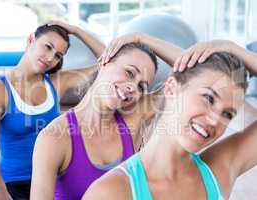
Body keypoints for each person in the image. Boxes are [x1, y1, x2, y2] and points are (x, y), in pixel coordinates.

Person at [83, 40, 257, 199]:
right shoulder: (111, 192)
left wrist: (230, 47)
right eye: (208, 98)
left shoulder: (220, 169)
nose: (214, 121)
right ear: (171, 89)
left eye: (227, 114)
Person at [0, 21, 105, 200]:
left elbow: (109, 63)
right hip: (14, 185)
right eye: (47, 47)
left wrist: (76, 30)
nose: (50, 58)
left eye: (57, 55)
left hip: (54, 180)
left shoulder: (56, 83)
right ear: (31, 39)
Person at [30, 42, 160, 200]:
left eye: (142, 87)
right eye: (129, 73)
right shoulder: (54, 138)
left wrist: (140, 36)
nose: (133, 87)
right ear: (105, 61)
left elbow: (190, 80)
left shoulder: (132, 120)